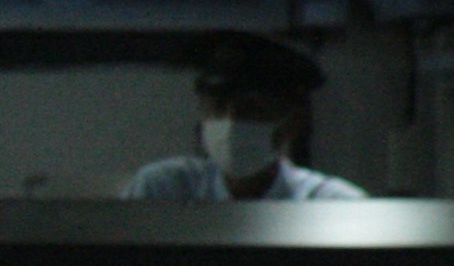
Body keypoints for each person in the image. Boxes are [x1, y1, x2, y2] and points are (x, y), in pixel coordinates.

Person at [124, 34, 366, 203]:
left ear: (292, 123)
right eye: (218, 107)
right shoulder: (163, 190)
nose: (231, 123)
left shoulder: (332, 205)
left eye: (251, 109)